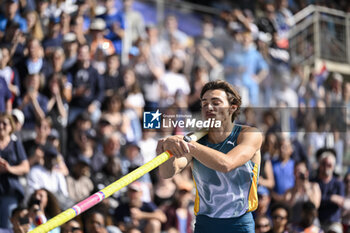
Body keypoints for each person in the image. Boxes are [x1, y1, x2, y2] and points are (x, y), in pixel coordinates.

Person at [157, 80, 262, 233]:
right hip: (205, 224)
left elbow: (226, 164)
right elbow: (168, 172)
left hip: (239, 223)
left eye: (216, 102)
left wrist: (188, 144)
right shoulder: (195, 139)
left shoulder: (249, 134)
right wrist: (164, 149)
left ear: (232, 108)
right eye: (204, 103)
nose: (208, 107)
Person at [0, 113, 29, 229]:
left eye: (4, 123)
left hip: (9, 192)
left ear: (11, 127)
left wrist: (9, 169)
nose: (1, 126)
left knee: (6, 227)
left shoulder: (16, 143)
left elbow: (25, 167)